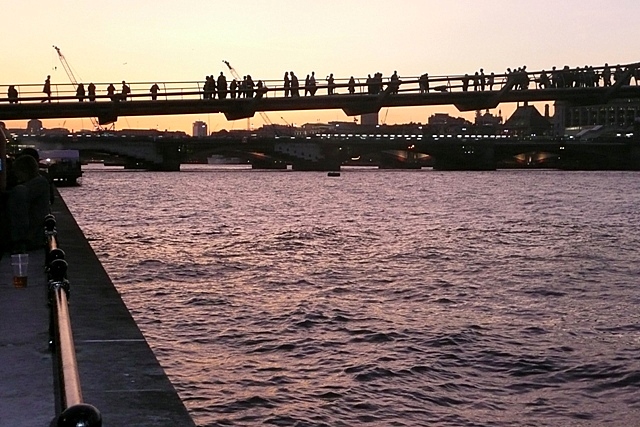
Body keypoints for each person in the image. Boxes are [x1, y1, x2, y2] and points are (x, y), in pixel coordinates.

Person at [6, 155, 51, 252]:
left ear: (24, 171)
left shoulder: (35, 185)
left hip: (31, 235)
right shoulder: (41, 182)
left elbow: (19, 194)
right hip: (34, 233)